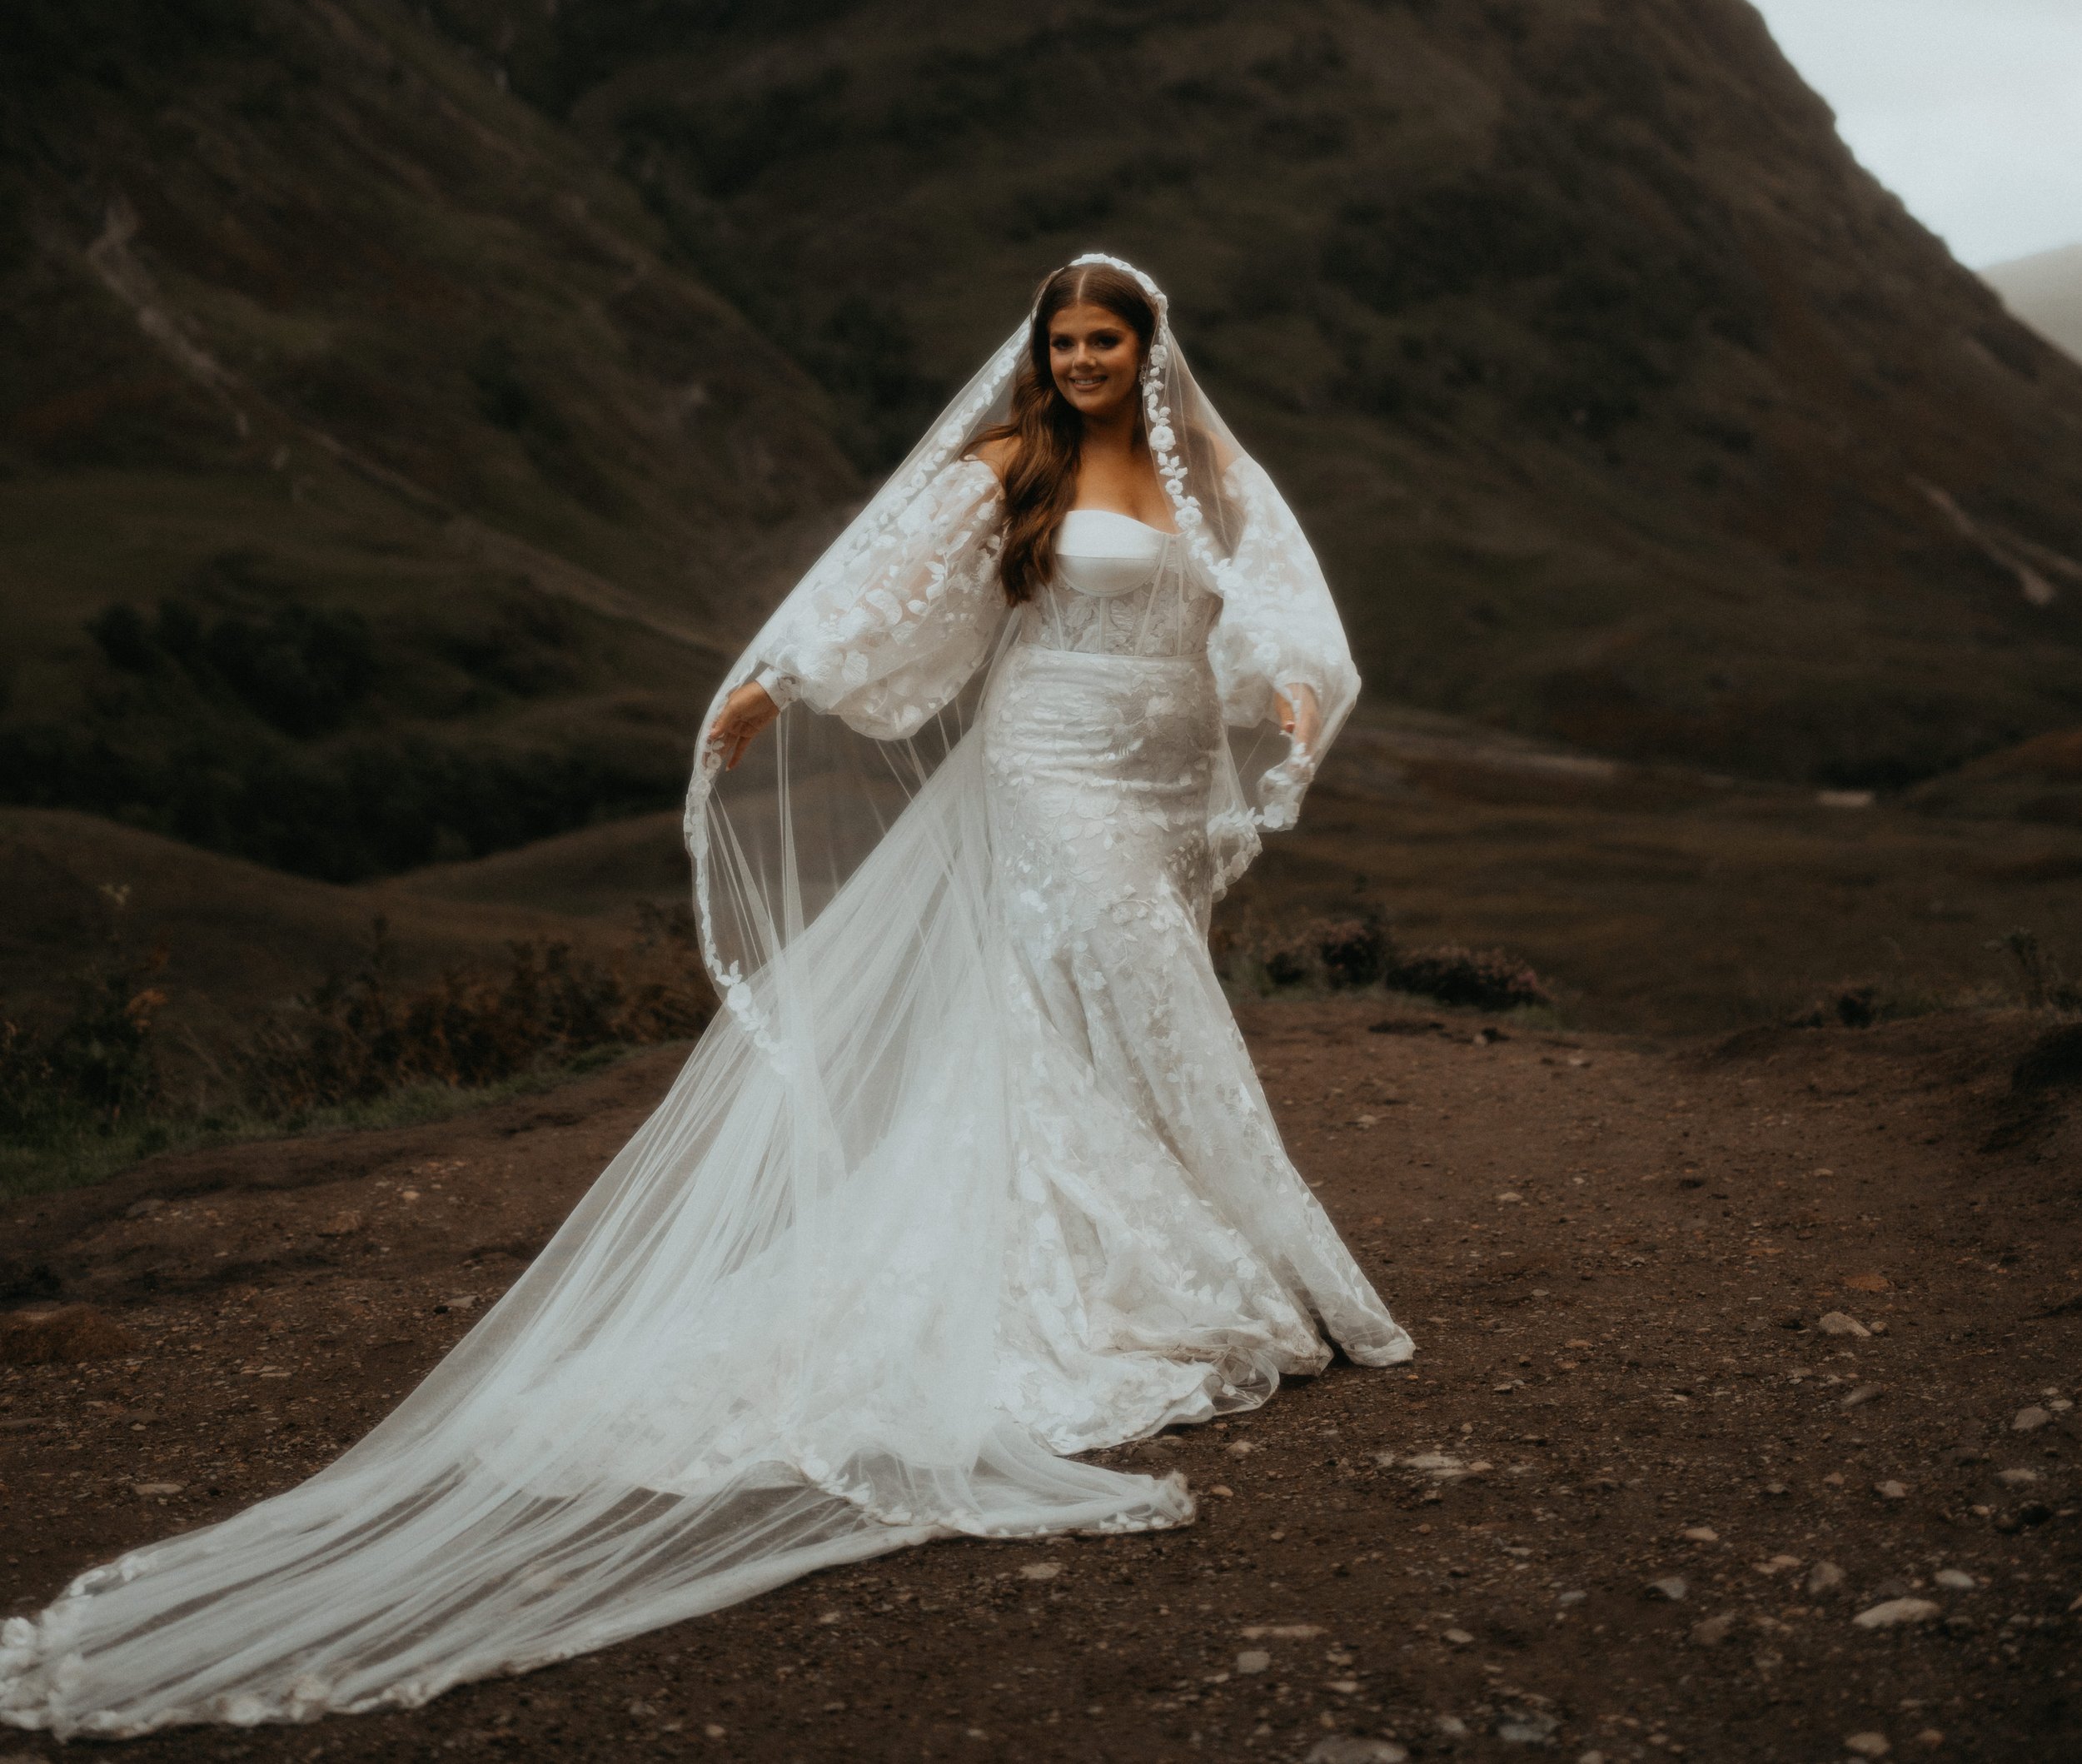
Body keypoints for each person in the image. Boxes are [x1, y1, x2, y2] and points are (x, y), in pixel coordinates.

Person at [0, 255, 1408, 1739]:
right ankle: (1127, 1247)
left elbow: (1276, 596)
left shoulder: (1211, 466)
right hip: (1051, 761)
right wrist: (780, 680)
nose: (1077, 360)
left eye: (1100, 338)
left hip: (1162, 767)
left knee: (1148, 987)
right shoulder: (1014, 459)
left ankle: (1194, 1226)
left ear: (1146, 345)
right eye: (1059, 339)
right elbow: (891, 584)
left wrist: (1292, 690)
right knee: (1107, 978)